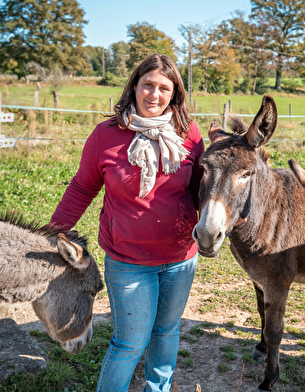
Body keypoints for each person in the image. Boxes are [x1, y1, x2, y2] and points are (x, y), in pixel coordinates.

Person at [50, 54, 205, 392]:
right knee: (130, 343)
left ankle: (157, 389)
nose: (154, 94)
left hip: (180, 257)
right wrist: (53, 233)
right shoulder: (106, 135)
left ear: (174, 94)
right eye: (147, 84)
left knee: (166, 331)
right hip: (129, 260)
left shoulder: (188, 134)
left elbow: (201, 191)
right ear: (134, 85)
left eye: (164, 88)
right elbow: (82, 187)